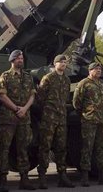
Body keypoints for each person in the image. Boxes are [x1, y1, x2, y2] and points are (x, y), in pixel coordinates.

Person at [0, 49, 36, 191]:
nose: (21, 60)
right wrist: (15, 108)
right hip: (9, 118)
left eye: (22, 58)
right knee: (4, 149)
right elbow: (2, 96)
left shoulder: (28, 76)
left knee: (23, 148)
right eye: (18, 58)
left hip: (24, 118)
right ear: (12, 60)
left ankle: (24, 179)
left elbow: (32, 95)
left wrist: (24, 109)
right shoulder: (5, 76)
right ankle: (2, 180)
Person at [72, 62, 103, 187]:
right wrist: (86, 113)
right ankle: (85, 176)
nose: (99, 71)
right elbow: (76, 103)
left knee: (102, 148)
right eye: (96, 69)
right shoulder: (84, 83)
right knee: (87, 148)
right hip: (89, 120)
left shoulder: (102, 83)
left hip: (102, 121)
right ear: (90, 71)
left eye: (100, 69)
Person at [36, 55, 74, 189]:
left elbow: (66, 99)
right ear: (55, 63)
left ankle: (62, 175)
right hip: (49, 118)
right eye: (60, 62)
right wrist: (48, 111)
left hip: (61, 118)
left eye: (65, 62)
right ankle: (42, 176)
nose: (63, 64)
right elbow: (40, 98)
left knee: (61, 147)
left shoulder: (66, 80)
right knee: (45, 147)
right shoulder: (48, 78)